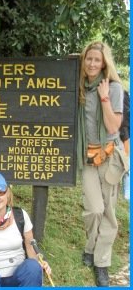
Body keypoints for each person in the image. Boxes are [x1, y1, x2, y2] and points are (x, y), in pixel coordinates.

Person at [77, 41, 125, 286]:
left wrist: (104, 98)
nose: (93, 64)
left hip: (109, 156)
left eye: (97, 60)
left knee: (108, 213)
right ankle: (90, 245)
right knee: (94, 208)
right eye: (89, 59)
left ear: (104, 62)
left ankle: (101, 263)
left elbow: (114, 127)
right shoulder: (80, 87)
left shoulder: (113, 88)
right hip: (87, 157)